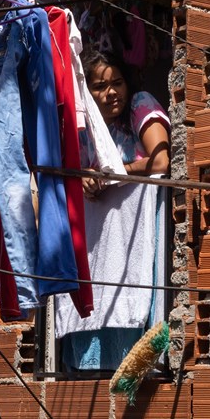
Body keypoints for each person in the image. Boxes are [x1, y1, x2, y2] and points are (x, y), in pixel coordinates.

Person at [53, 48, 170, 371]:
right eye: (99, 87)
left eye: (116, 83)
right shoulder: (83, 131)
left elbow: (161, 161)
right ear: (86, 93)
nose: (111, 93)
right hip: (102, 249)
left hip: (140, 234)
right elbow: (71, 179)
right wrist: (87, 184)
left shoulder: (139, 104)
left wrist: (113, 174)